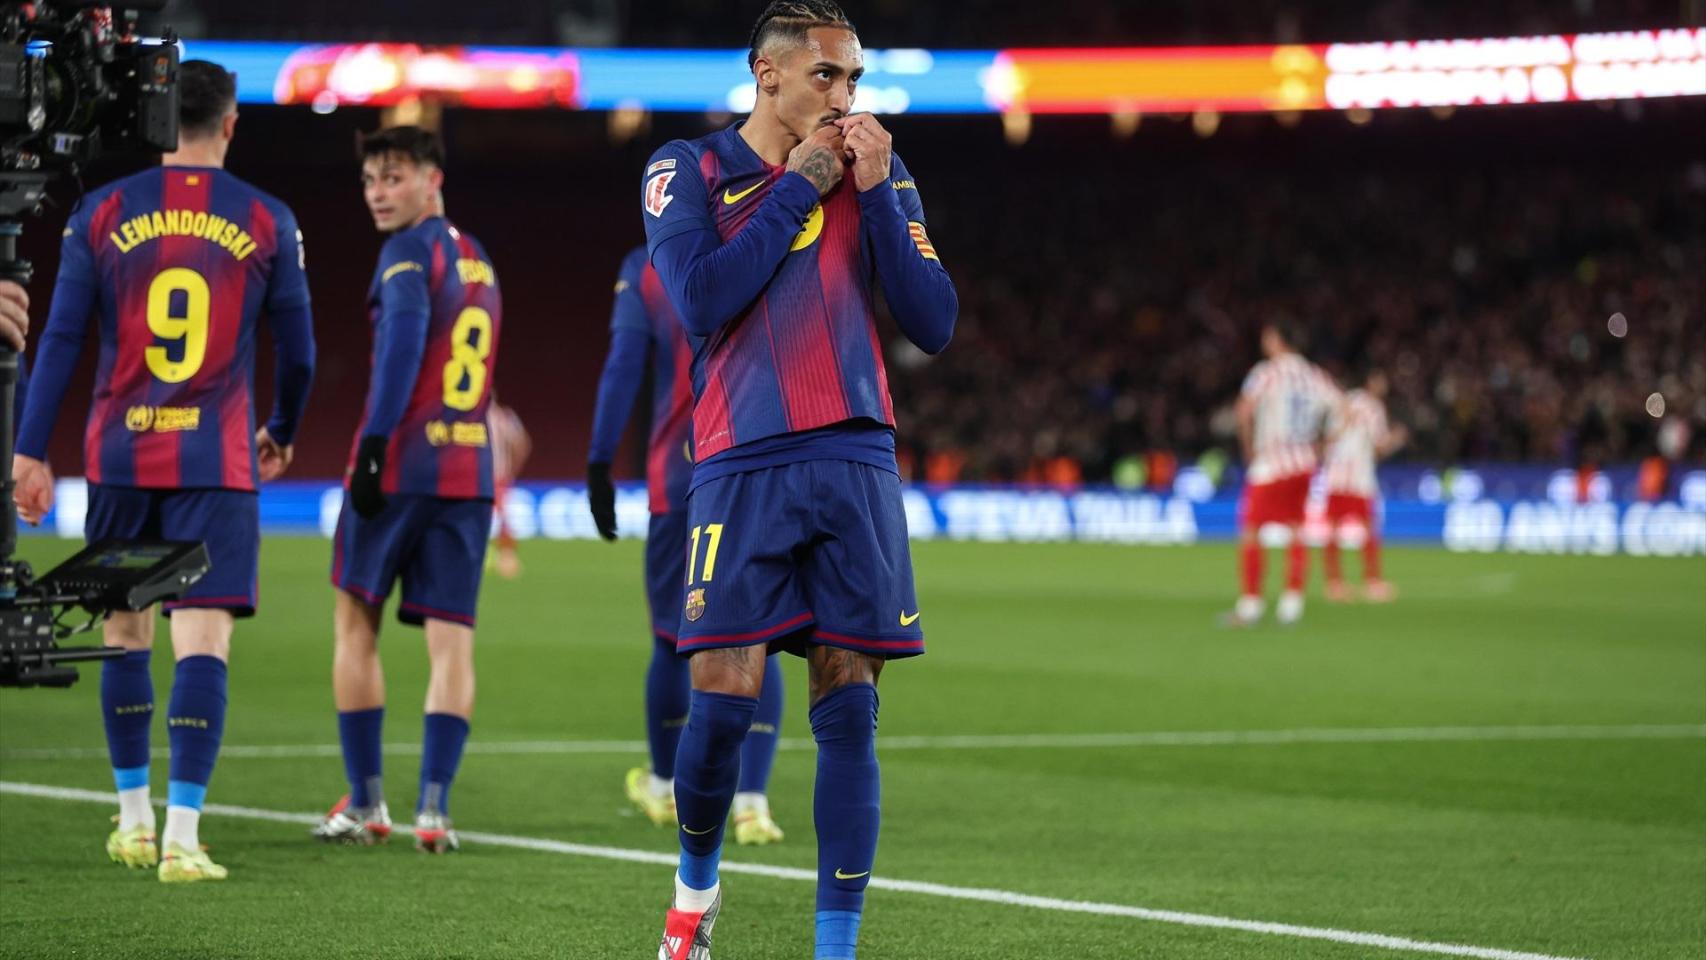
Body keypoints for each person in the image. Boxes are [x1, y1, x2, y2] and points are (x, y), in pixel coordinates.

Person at [639, 2, 957, 956]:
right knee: (723, 702)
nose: (845, 95)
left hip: (856, 458)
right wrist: (801, 188)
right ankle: (695, 895)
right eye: (828, 75)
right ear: (766, 74)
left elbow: (933, 320)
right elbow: (699, 297)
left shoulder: (878, 172)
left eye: (855, 78)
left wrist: (885, 193)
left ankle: (836, 946)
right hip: (741, 460)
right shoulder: (684, 168)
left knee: (849, 707)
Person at [12, 60, 315, 882]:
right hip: (213, 464)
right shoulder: (266, 217)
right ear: (231, 122)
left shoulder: (100, 211)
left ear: (155, 119)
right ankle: (183, 837)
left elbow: (62, 340)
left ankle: (133, 820)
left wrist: (30, 451)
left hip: (118, 458)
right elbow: (301, 353)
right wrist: (280, 429)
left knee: (124, 637)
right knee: (202, 644)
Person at [311, 126, 501, 855]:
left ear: (431, 177)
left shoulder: (405, 254)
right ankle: (435, 810)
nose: (378, 194)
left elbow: (399, 353)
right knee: (453, 642)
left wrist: (372, 450)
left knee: (356, 623)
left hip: (402, 467)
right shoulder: (479, 258)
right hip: (467, 470)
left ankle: (365, 803)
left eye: (392, 177)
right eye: (368, 181)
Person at [587, 246, 786, 846]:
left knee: (671, 638)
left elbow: (624, 366)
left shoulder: (646, 267)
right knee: (763, 637)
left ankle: (667, 783)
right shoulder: (766, 243)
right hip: (758, 464)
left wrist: (600, 460)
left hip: (679, 475)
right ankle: (751, 801)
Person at [1227, 319, 1340, 626]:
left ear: (1277, 339)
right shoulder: (1316, 376)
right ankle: (1292, 602)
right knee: (1296, 530)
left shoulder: (1267, 372)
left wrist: (1248, 449)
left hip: (1271, 463)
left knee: (1251, 531)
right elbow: (1343, 411)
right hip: (1304, 464)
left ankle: (1251, 603)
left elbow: (1243, 410)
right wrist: (1322, 445)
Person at [1322, 369, 1406, 602]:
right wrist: (1396, 440)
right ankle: (1372, 582)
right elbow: (1379, 447)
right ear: (1371, 381)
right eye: (1381, 380)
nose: (1384, 386)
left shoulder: (1344, 401)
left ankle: (1334, 583)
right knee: (1369, 529)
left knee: (1333, 531)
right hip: (1359, 478)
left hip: (1336, 476)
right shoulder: (1373, 407)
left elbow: (1328, 437)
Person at [487, 397, 530, 579]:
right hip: (477, 477)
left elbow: (521, 443)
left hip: (497, 476)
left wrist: (512, 469)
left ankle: (507, 558)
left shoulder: (503, 417)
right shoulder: (468, 419)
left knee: (502, 516)